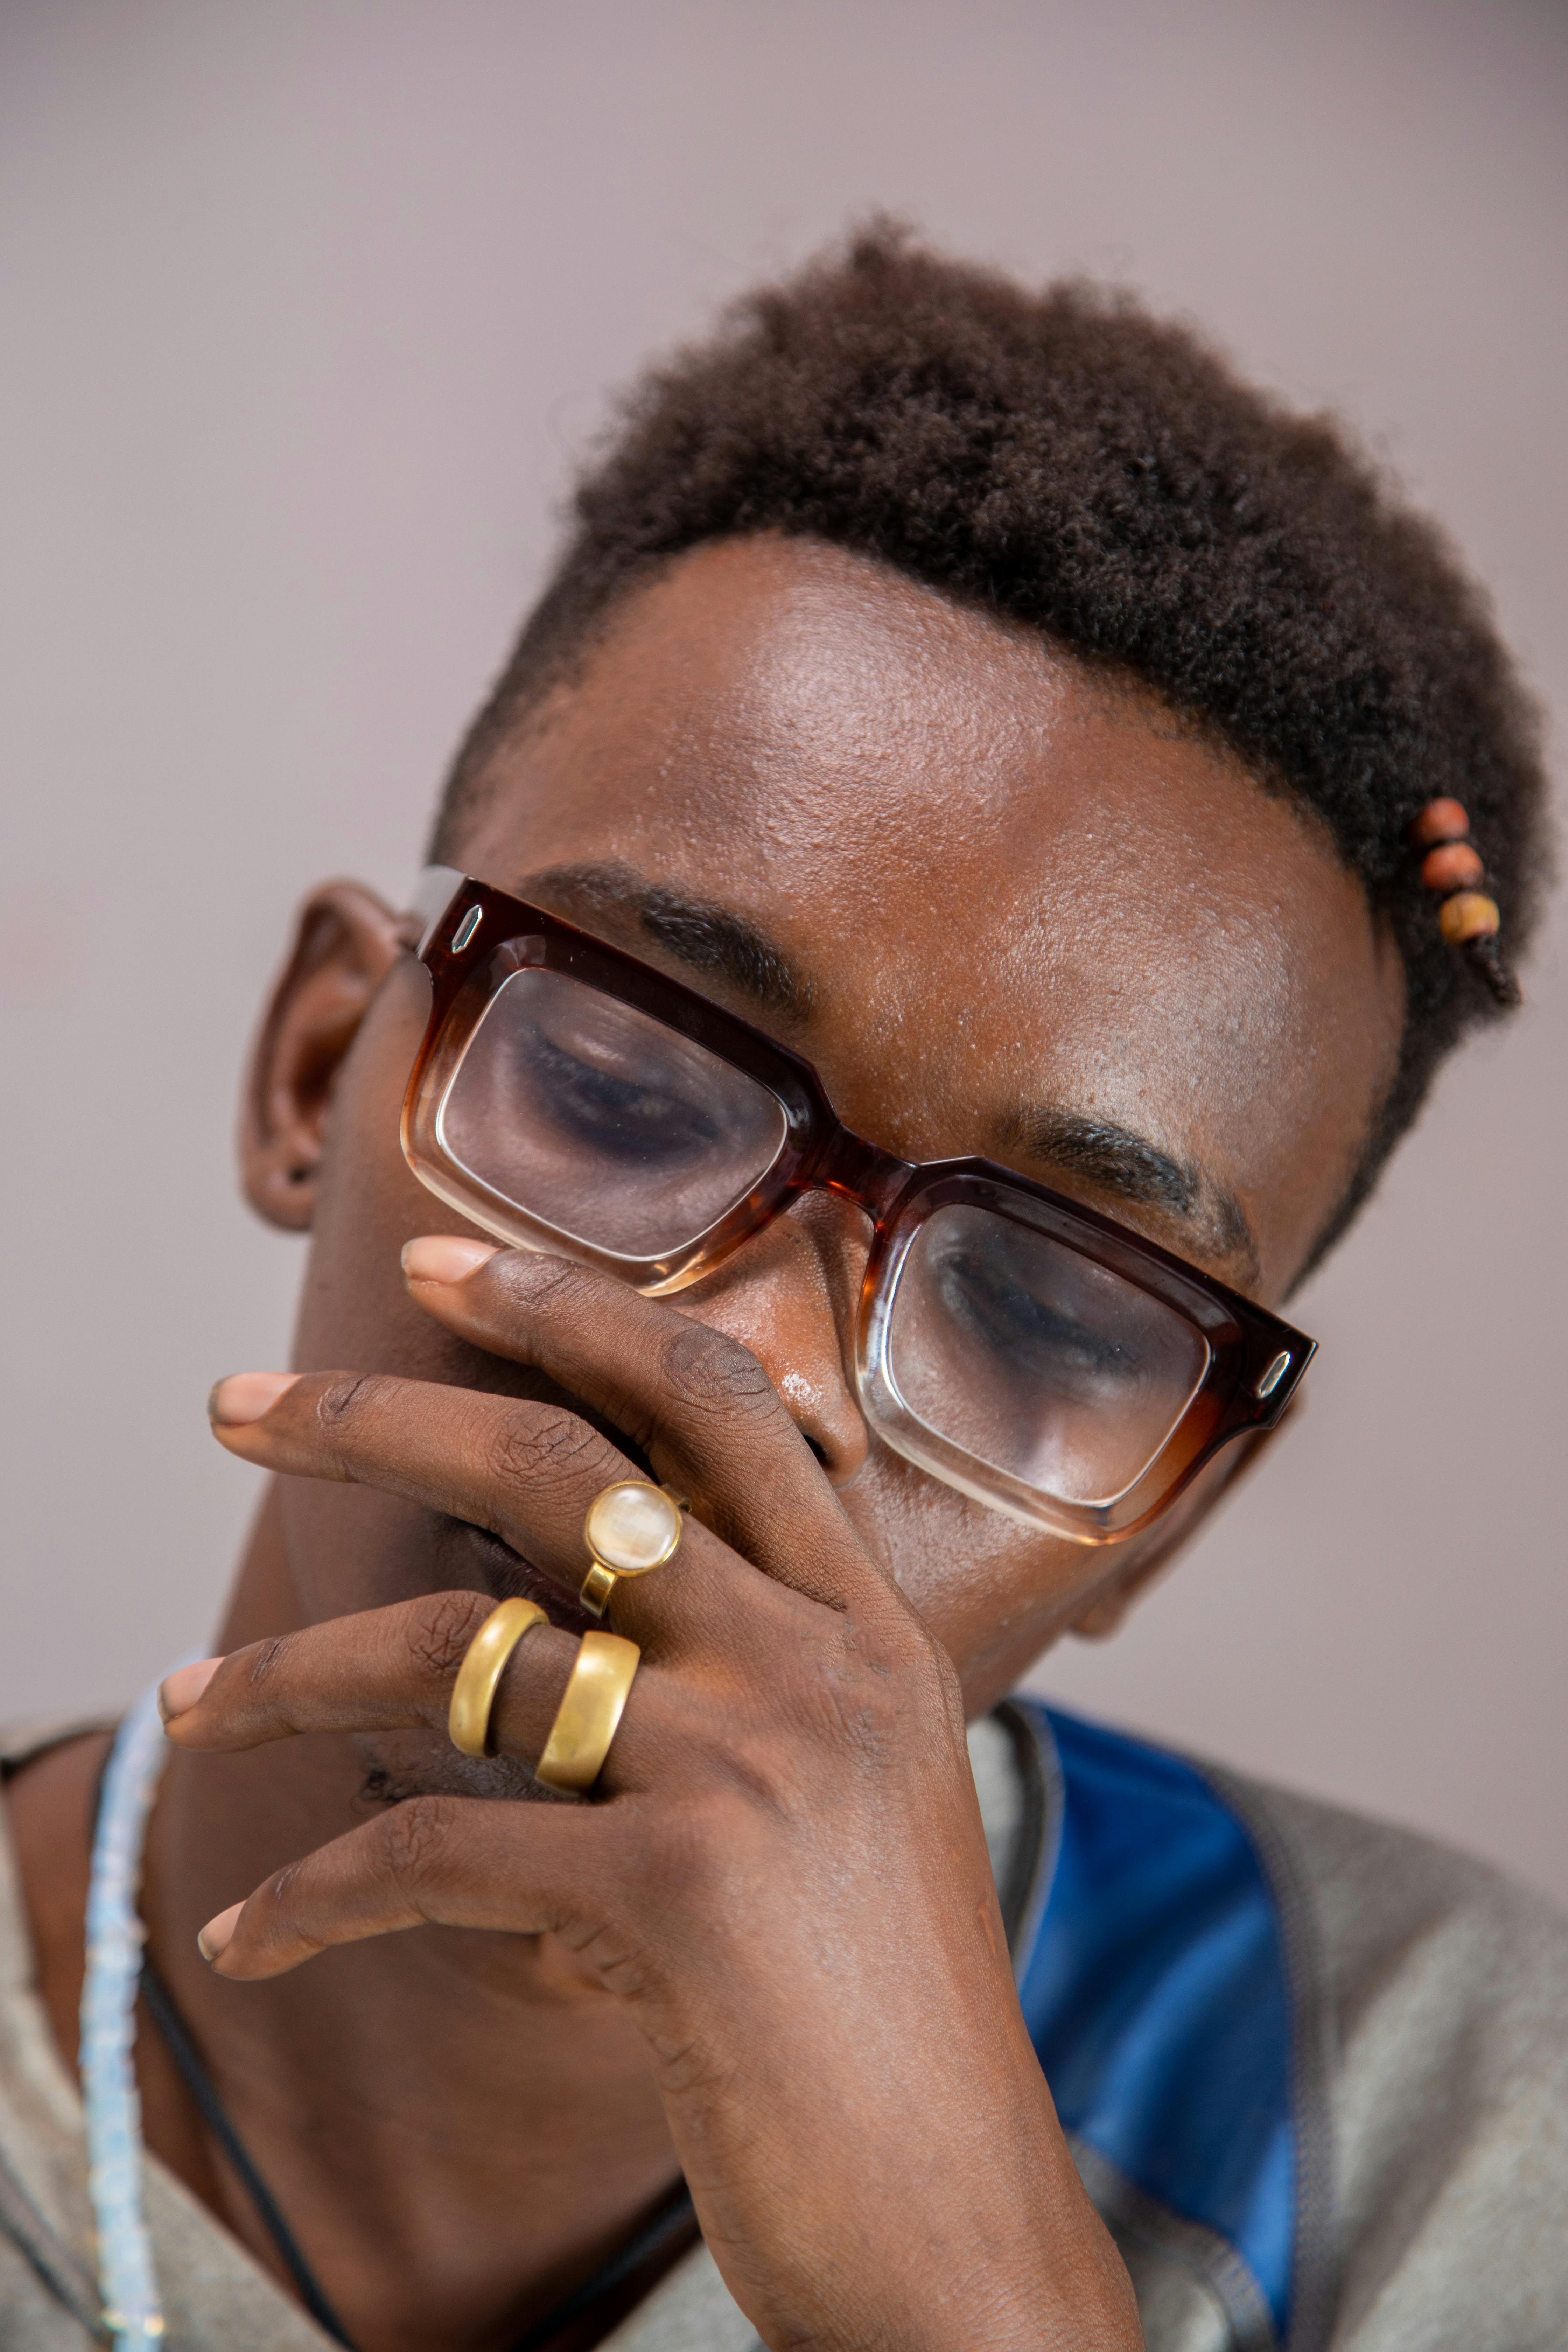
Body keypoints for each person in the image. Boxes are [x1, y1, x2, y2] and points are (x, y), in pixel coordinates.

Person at [2, 226, 1563, 2352]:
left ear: (1172, 1510)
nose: (748, 1360)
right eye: (628, 1084)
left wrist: (968, 2301)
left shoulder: (1450, 2124)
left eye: (1054, 1316)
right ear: (313, 1072)